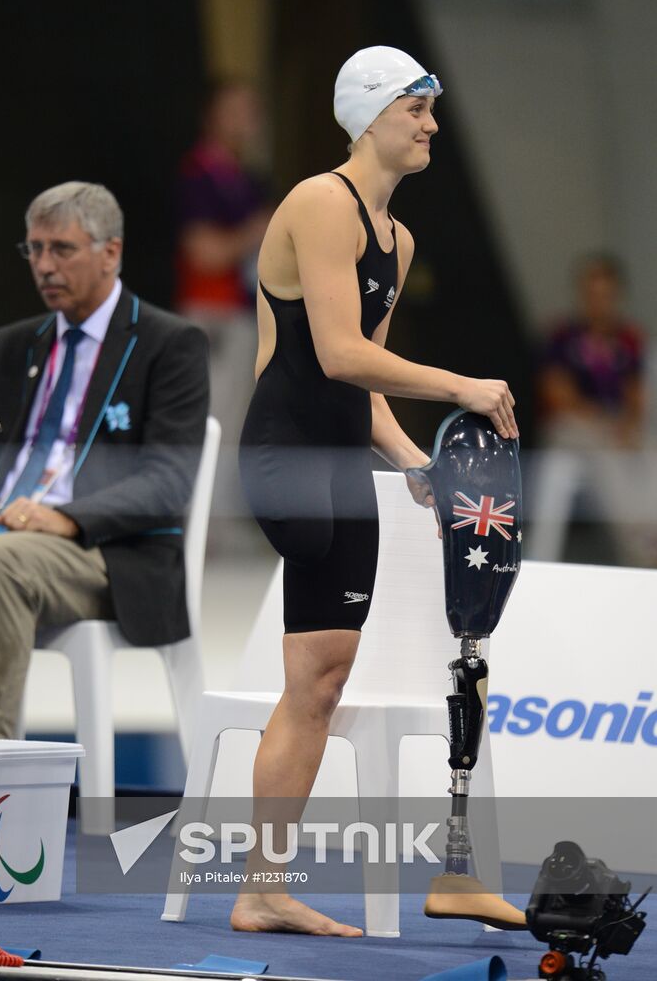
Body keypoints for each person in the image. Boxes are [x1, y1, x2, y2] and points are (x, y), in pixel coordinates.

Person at [236, 47, 518, 937]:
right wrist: (464, 387)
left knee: (320, 679)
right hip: (284, 457)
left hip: (339, 458)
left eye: (431, 110)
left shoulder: (396, 238)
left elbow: (364, 393)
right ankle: (259, 885)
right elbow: (335, 355)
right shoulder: (320, 203)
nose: (431, 125)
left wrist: (410, 463)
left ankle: (261, 889)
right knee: (313, 671)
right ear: (369, 116)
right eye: (416, 110)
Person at [0, 182, 209, 740]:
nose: (44, 265)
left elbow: (168, 482)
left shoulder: (168, 343)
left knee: (2, 561)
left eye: (62, 249)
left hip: (107, 549)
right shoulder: (14, 345)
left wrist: (70, 518)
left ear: (111, 252)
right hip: (4, 522)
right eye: (34, 249)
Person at [173, 79, 271, 552]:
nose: (247, 120)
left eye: (252, 110)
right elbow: (204, 252)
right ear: (211, 115)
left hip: (242, 316)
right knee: (208, 424)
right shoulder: (200, 174)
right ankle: (202, 531)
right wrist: (255, 230)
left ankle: (219, 525)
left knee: (233, 425)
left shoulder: (246, 178)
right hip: (211, 316)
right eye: (236, 109)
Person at [531, 253, 650, 564]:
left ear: (617, 295)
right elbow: (557, 396)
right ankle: (640, 548)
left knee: (644, 449)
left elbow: (636, 396)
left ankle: (648, 535)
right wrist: (605, 424)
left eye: (605, 295)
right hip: (571, 429)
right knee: (605, 452)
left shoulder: (628, 339)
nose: (599, 302)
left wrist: (627, 426)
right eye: (592, 294)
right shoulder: (563, 336)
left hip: (614, 428)